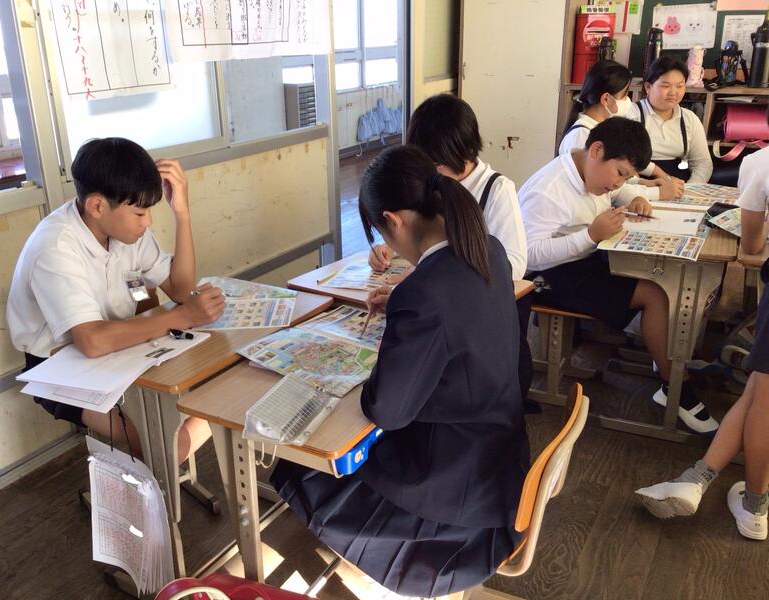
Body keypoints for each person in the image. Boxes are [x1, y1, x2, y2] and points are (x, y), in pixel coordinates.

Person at [271, 144, 530, 597]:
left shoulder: (425, 292)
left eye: (382, 234)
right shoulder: (487, 249)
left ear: (393, 220)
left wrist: (394, 333)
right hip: (497, 460)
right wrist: (404, 304)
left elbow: (387, 410)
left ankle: (365, 572)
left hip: (454, 497)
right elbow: (462, 313)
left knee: (298, 466)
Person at [6, 137, 224, 460]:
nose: (147, 222)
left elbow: (180, 289)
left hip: (121, 346)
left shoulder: (124, 230)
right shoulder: (55, 247)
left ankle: (211, 419)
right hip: (58, 367)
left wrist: (183, 214)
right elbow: (92, 341)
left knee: (217, 390)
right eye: (140, 213)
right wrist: (183, 316)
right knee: (168, 445)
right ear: (97, 206)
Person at [518, 117, 718, 435]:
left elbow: (616, 193)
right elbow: (528, 256)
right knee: (655, 294)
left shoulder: (591, 170)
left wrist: (635, 198)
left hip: (581, 258)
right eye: (620, 173)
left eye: (626, 177)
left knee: (662, 280)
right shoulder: (548, 190)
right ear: (597, 150)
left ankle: (667, 359)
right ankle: (677, 387)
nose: (618, 183)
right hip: (545, 278)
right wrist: (590, 236)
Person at [635, 138, 769, 540]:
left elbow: (751, 245)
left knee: (764, 402)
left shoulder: (761, 163)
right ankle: (696, 479)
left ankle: (755, 507)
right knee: (757, 390)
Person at [368, 93, 534, 407]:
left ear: (459, 155)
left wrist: (428, 276)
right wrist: (387, 248)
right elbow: (418, 236)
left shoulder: (496, 190)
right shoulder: (430, 189)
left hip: (478, 330)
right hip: (469, 360)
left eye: (432, 164)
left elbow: (514, 263)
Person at [560, 59, 685, 202]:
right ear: (606, 99)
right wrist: (657, 193)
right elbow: (607, 187)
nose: (628, 101)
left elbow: (615, 174)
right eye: (625, 95)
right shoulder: (581, 135)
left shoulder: (603, 128)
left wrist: (644, 182)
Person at [627, 55, 713, 184]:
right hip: (640, 183)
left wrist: (689, 189)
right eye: (665, 86)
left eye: (679, 86)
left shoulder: (689, 119)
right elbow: (622, 161)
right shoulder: (631, 115)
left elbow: (702, 163)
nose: (673, 92)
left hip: (679, 184)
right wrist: (643, 186)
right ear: (648, 87)